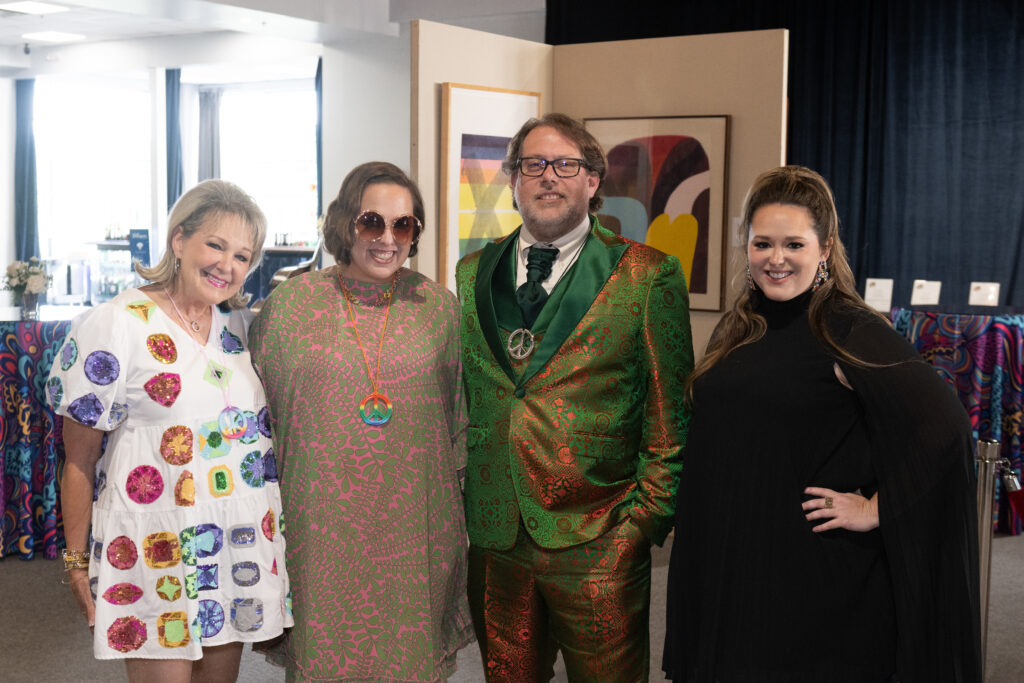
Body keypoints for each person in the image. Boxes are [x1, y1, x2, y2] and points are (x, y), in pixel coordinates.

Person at [662, 165, 981, 682]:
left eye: (794, 244)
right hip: (727, 558)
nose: (776, 259)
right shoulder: (740, 325)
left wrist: (877, 508)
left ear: (825, 248)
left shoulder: (848, 329)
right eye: (762, 243)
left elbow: (946, 430)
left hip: (806, 575)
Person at [456, 112, 694, 681]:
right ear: (513, 180)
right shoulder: (471, 273)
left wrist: (641, 525)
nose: (548, 176)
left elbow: (671, 415)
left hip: (600, 537)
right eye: (533, 164)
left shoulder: (646, 275)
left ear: (592, 180)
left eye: (566, 164)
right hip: (496, 537)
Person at [48, 179, 293, 682]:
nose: (227, 265)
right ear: (179, 240)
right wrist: (75, 561)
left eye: (242, 256)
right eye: (216, 245)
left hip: (232, 546)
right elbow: (79, 459)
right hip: (154, 548)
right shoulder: (116, 324)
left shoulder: (236, 328)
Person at [249, 161, 474, 682]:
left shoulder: (438, 309)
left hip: (414, 524)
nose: (388, 239)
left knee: (408, 658)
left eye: (403, 225)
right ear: (345, 222)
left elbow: (458, 419)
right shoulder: (291, 307)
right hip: (318, 525)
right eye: (372, 222)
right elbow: (259, 418)